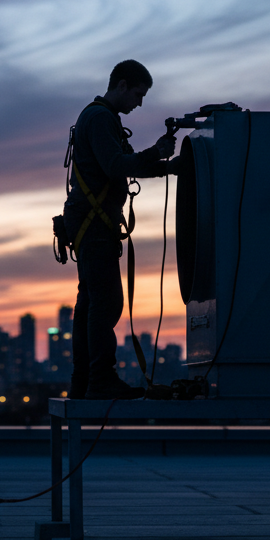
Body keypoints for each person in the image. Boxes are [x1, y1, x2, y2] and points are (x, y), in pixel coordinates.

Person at [62, 59, 177, 399]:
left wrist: (168, 167)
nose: (139, 103)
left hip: (91, 223)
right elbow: (116, 167)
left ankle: (84, 382)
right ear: (122, 85)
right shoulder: (99, 118)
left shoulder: (101, 118)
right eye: (138, 94)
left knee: (91, 304)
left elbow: (125, 166)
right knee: (106, 301)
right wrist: (157, 153)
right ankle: (100, 381)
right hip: (94, 224)